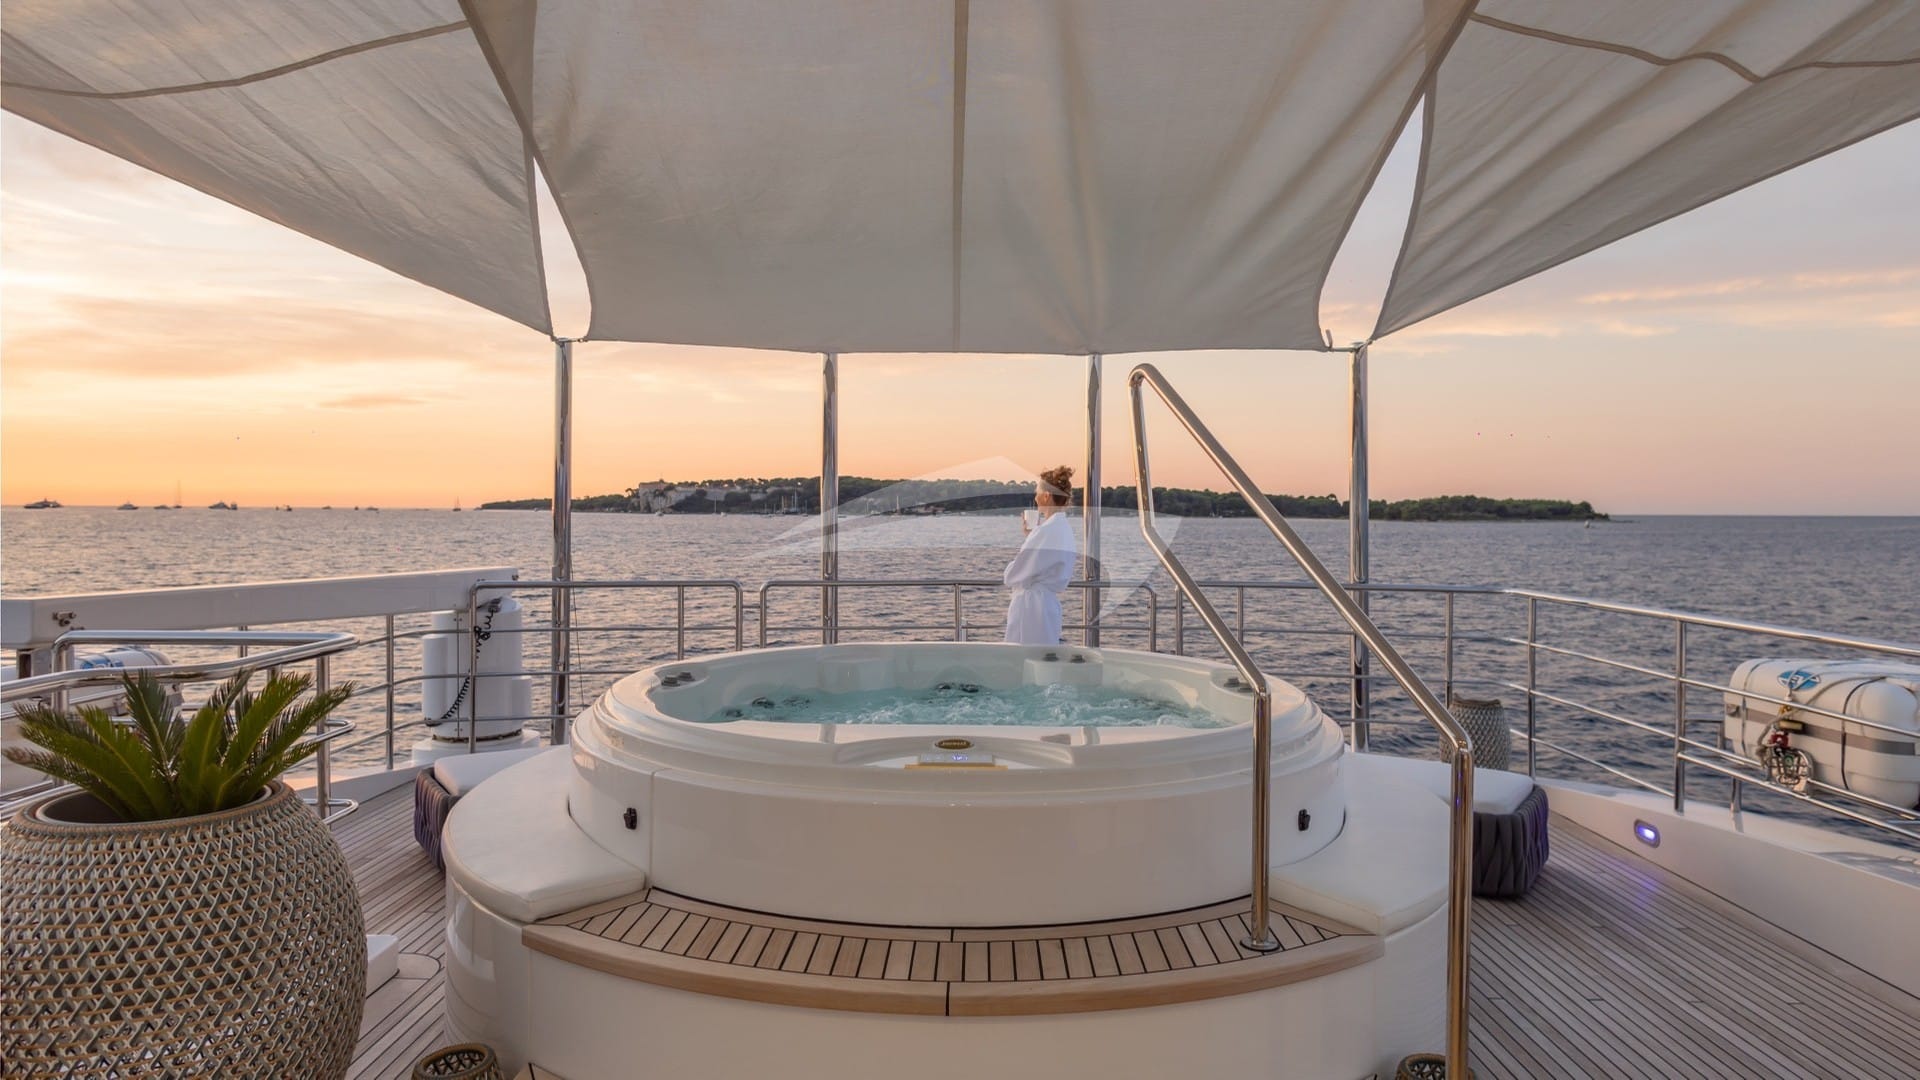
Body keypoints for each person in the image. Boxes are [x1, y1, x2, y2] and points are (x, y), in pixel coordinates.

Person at [1004, 465, 1078, 645]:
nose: (1035, 498)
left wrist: (1032, 538)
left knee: (1023, 658)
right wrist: (1031, 537)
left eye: (1037, 492)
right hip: (1046, 608)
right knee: (1043, 656)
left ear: (1046, 496)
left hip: (1031, 610)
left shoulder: (1046, 531)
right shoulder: (1062, 529)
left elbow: (1013, 575)